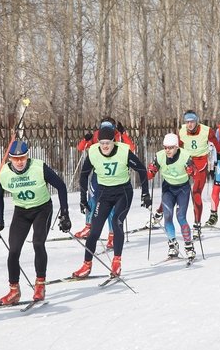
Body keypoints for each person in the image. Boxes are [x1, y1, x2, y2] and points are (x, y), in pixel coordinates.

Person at [0, 140, 71, 305]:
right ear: (10, 159)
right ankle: (14, 290)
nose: (19, 162)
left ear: (28, 156)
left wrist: (65, 214)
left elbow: (61, 186)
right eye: (15, 158)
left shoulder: (38, 167)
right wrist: (0, 221)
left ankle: (40, 285)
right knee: (13, 251)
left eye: (23, 157)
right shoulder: (4, 172)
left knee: (38, 243)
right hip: (21, 212)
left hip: (42, 209)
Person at [71, 126, 151, 278]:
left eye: (108, 142)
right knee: (94, 230)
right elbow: (84, 175)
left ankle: (116, 262)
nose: (105, 146)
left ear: (114, 141)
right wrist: (83, 198)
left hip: (123, 193)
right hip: (104, 194)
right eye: (102, 143)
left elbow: (141, 170)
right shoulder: (93, 152)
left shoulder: (123, 151)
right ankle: (86, 265)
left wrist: (145, 193)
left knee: (116, 222)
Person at [73, 117, 136, 248]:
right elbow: (80, 148)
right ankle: (88, 226)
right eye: (103, 126)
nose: (106, 129)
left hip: (115, 177)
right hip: (99, 175)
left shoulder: (117, 136)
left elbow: (131, 148)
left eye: (109, 126)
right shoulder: (97, 135)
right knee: (93, 200)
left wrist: (123, 134)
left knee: (112, 206)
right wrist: (86, 139)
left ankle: (112, 235)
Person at [147, 133, 197, 260]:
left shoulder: (185, 155)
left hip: (183, 189)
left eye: (170, 148)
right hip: (168, 188)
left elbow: (195, 171)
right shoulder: (160, 156)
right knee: (168, 216)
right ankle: (173, 245)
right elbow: (151, 171)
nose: (167, 150)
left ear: (177, 147)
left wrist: (191, 170)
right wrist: (150, 172)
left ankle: (189, 246)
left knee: (181, 217)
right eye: (166, 147)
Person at [178, 110, 219, 238]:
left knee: (196, 192)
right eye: (187, 122)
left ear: (197, 121)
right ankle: (159, 213)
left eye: (192, 121)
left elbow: (216, 143)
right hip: (186, 162)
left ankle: (197, 224)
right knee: (174, 188)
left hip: (201, 163)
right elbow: (177, 147)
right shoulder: (182, 131)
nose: (189, 124)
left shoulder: (207, 130)